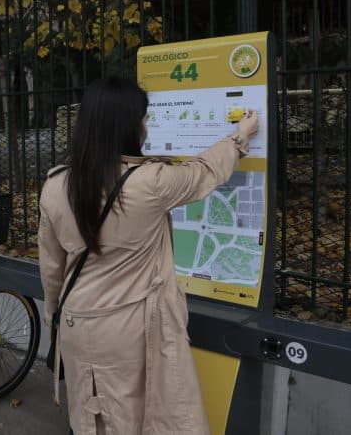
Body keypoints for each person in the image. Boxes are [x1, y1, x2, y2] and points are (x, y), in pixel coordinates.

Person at [38, 77, 259, 435]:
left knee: (91, 412)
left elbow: (51, 267)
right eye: (142, 118)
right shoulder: (151, 182)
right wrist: (239, 136)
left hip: (76, 320)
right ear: (127, 125)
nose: (145, 126)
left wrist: (53, 314)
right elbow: (202, 172)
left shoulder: (56, 184)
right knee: (129, 418)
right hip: (127, 327)